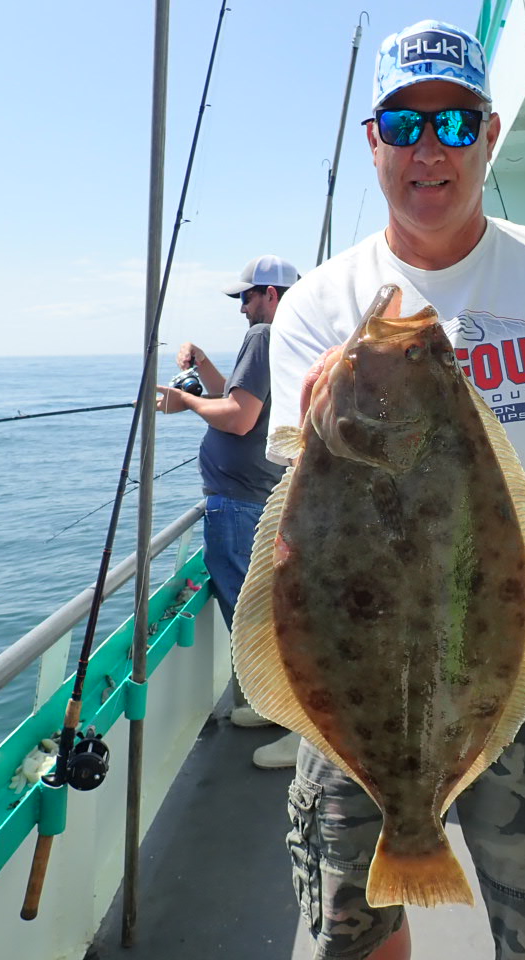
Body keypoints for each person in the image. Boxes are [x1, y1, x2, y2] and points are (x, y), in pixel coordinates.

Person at [265, 20, 525, 960]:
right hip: (362, 688)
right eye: (404, 125)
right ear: (371, 142)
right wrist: (321, 433)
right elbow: (310, 539)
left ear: (491, 137)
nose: (430, 148)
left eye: (456, 124)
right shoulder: (315, 309)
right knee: (350, 934)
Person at [156, 253, 304, 771]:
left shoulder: (264, 336)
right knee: (262, 612)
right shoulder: (284, 338)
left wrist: (184, 402)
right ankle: (274, 707)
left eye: (247, 296)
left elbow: (239, 419)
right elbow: (238, 395)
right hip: (252, 499)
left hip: (240, 504)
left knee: (259, 618)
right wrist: (200, 370)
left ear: (272, 295)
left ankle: (301, 732)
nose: (241, 308)